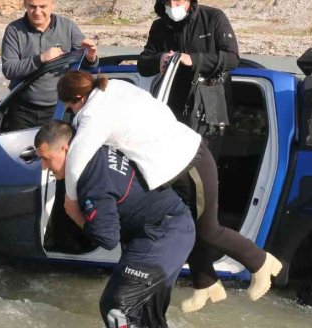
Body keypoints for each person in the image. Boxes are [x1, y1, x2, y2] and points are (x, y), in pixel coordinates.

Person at [57, 70, 283, 313]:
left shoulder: (94, 114)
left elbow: (77, 158)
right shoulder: (112, 88)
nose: (71, 112)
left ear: (80, 97)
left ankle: (261, 263)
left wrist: (70, 199)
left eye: (70, 106)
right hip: (172, 168)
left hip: (189, 163)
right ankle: (205, 283)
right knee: (190, 224)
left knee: (209, 229)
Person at [35, 120, 195, 328]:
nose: (44, 167)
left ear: (65, 148)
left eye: (47, 159)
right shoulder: (96, 146)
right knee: (146, 317)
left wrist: (74, 214)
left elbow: (108, 237)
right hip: (175, 230)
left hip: (162, 236)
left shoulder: (92, 182)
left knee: (116, 309)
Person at [138, 0, 239, 124]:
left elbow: (232, 59)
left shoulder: (214, 18)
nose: (173, 6)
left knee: (206, 147)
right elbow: (143, 64)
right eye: (168, 1)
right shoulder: (159, 27)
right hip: (172, 109)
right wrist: (159, 60)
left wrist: (191, 59)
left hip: (210, 107)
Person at [0, 0, 98, 131]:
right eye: (32, 6)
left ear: (53, 5)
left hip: (60, 110)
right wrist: (41, 58)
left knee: (55, 155)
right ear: (24, 4)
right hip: (21, 111)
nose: (37, 12)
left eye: (43, 6)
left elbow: (87, 68)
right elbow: (9, 69)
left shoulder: (68, 27)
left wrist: (91, 57)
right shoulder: (14, 30)